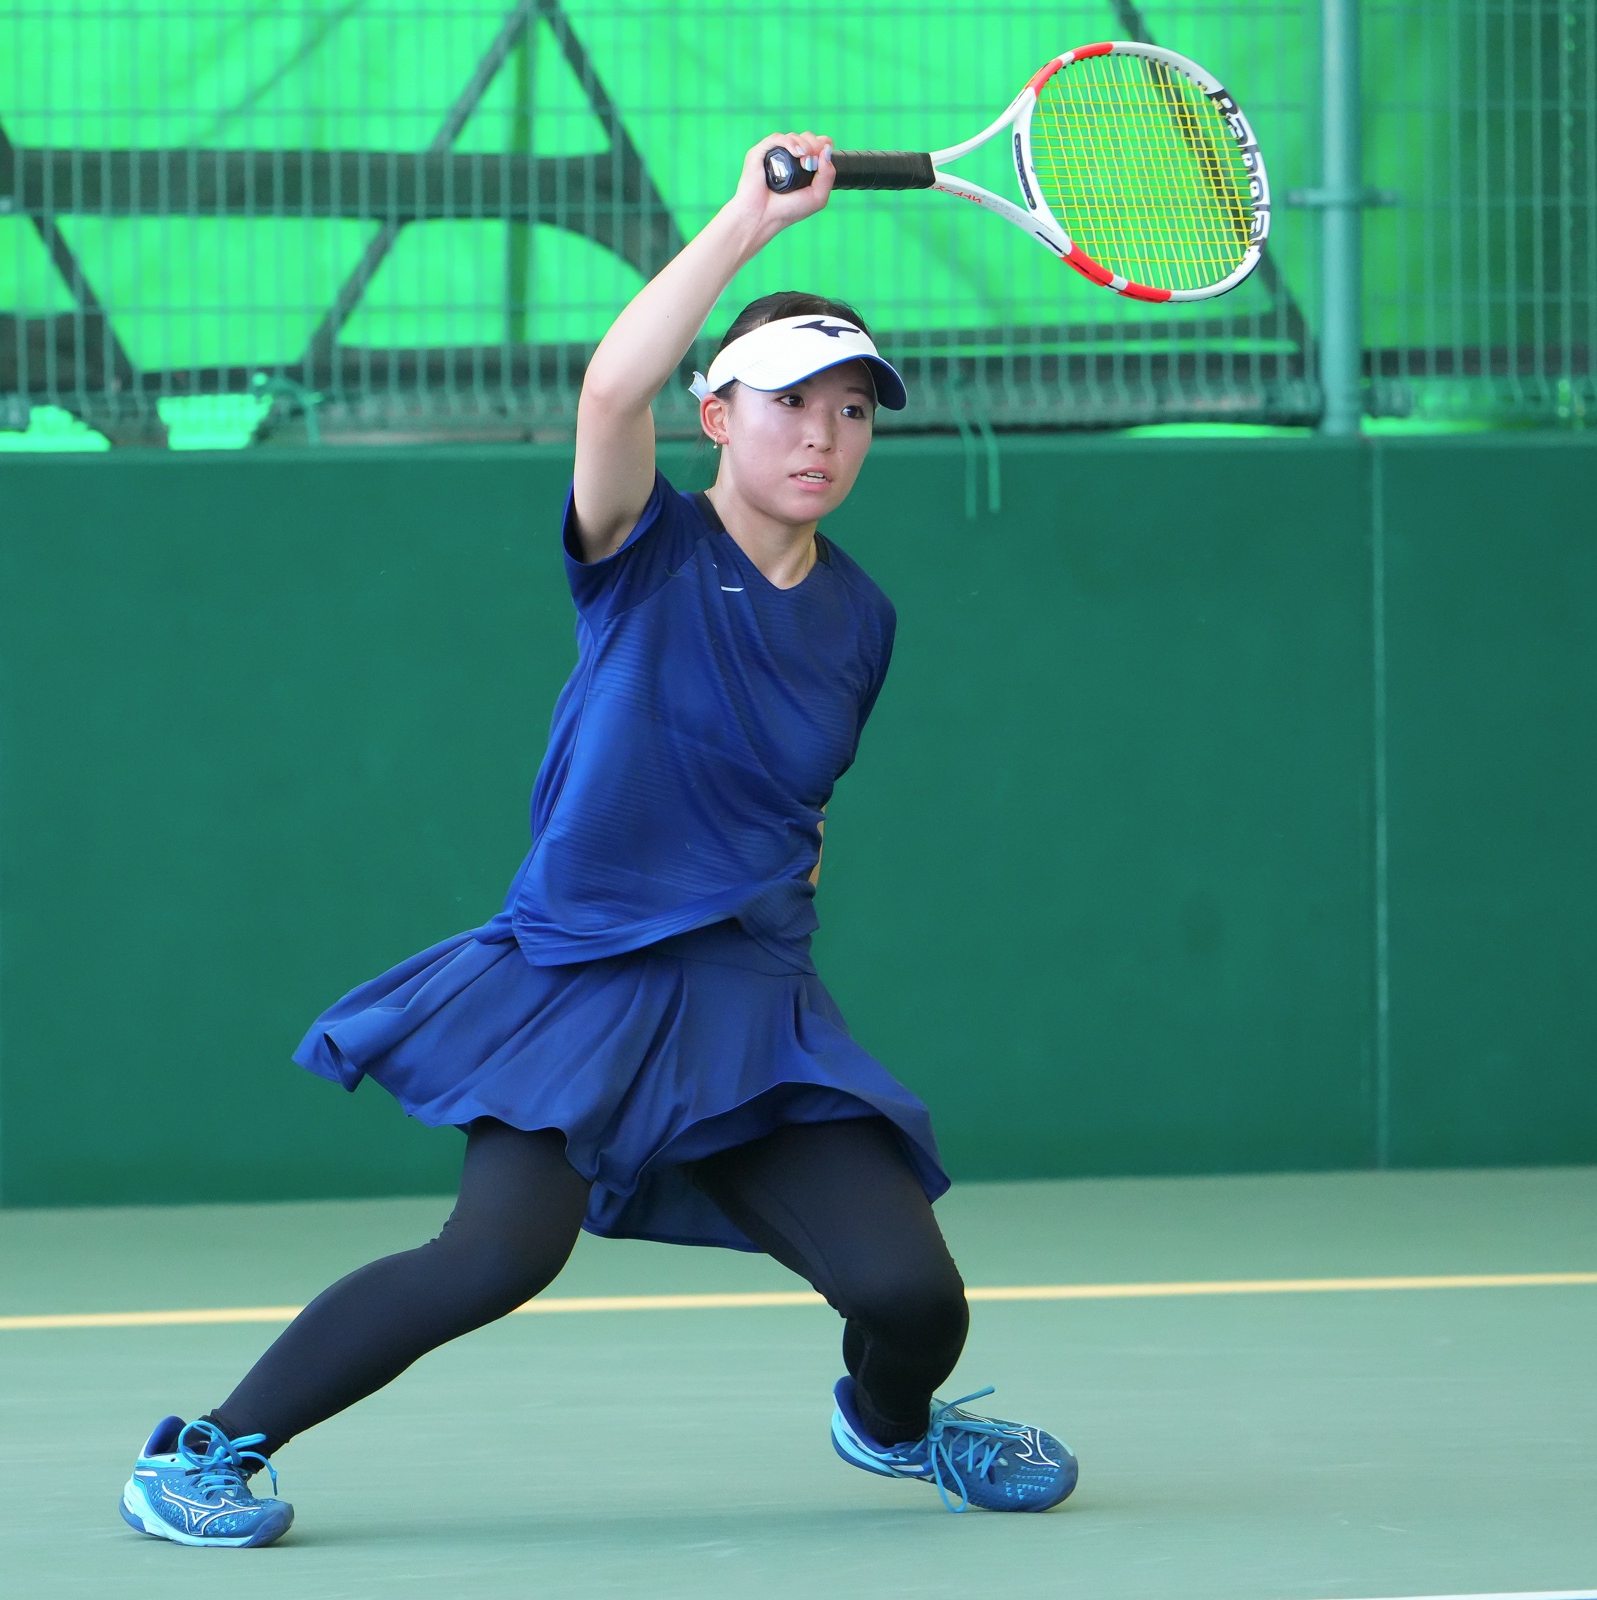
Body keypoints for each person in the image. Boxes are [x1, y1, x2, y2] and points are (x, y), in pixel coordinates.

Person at [119, 131, 1079, 1549]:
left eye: (852, 410)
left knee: (916, 1299)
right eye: (788, 403)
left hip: (751, 1006)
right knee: (496, 1256)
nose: (823, 436)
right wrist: (746, 224)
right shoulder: (644, 548)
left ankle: (893, 1424)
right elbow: (609, 389)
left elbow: (798, 798)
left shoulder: (862, 619)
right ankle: (202, 1452)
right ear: (717, 415)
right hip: (581, 983)